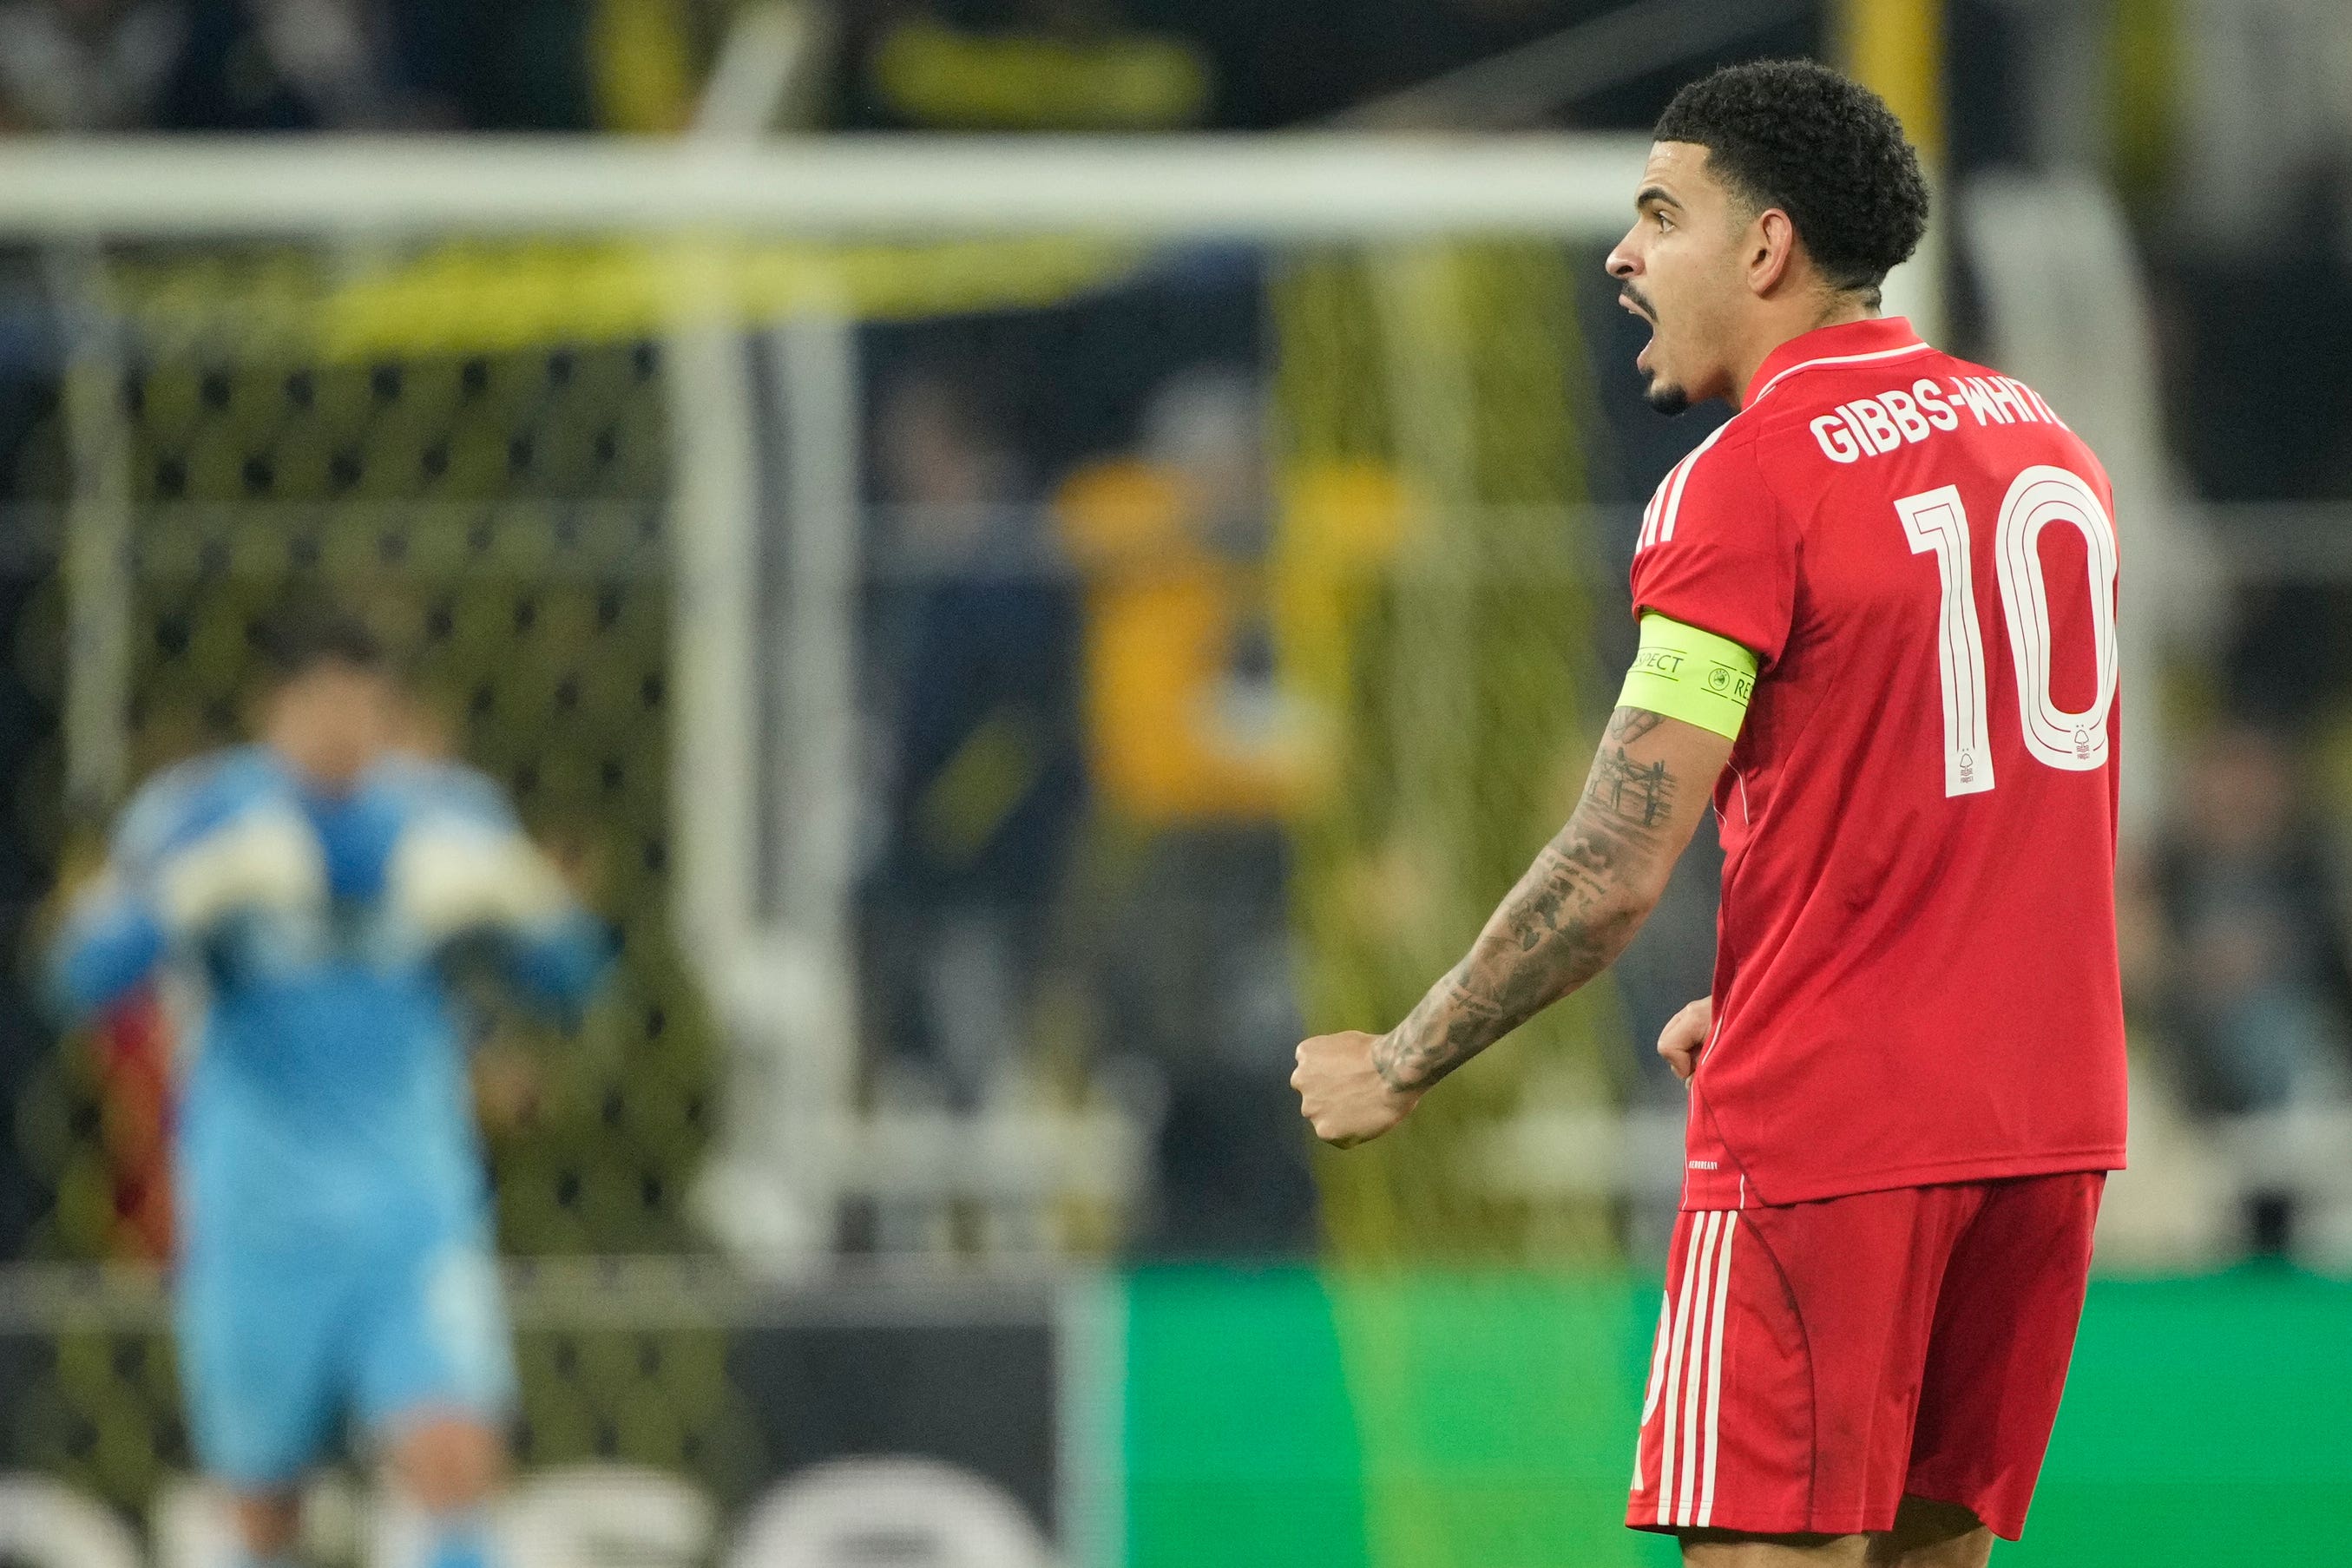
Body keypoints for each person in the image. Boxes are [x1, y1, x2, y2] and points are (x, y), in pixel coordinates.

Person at [1291, 59, 2125, 1567]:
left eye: (1661, 215)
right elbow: (1966, 795)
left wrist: (1403, 1057)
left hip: (1827, 1138)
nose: (1623, 253)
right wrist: (1763, 978)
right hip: (2047, 1126)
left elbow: (1612, 871)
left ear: (1766, 248)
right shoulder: (2045, 442)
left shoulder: (1742, 481)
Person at [49, 613, 611, 1568]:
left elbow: (576, 981)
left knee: (453, 1457)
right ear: (274, 710)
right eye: (321, 705)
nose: (344, 731)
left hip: (411, 1211)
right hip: (258, 1216)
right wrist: (189, 896)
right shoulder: (198, 814)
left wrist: (520, 902)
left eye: (366, 707)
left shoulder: (447, 817)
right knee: (264, 1506)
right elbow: (78, 976)